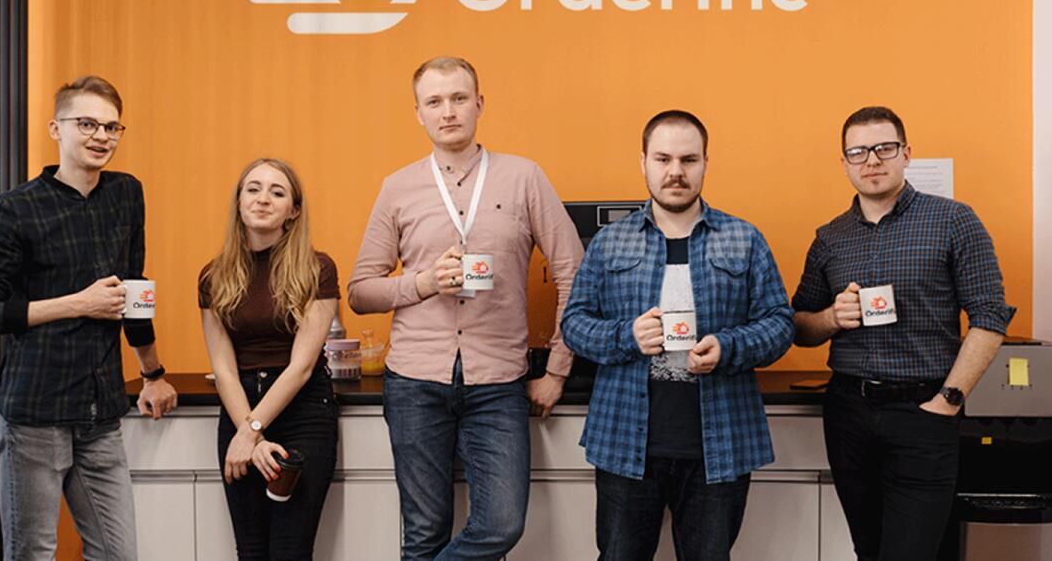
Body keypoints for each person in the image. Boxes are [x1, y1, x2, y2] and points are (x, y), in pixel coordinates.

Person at [348, 56, 584, 560]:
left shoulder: (524, 177)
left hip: (497, 383)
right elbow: (360, 291)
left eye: (458, 98)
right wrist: (423, 283)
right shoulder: (397, 187)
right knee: (424, 534)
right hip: (414, 383)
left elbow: (574, 272)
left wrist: (558, 370)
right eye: (434, 102)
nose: (448, 111)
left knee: (501, 525)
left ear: (479, 103)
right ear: (418, 113)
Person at [0, 75, 178, 560]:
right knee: (33, 553)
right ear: (57, 129)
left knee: (118, 554)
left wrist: (152, 373)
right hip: (32, 416)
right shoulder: (13, 210)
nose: (101, 136)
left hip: (99, 414)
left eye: (112, 127)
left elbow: (133, 288)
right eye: (87, 124)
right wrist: (77, 303)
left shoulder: (126, 194)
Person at [561, 109, 794, 561]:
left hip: (720, 444)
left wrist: (729, 347)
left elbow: (780, 323)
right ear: (643, 162)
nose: (675, 172)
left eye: (688, 160)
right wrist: (627, 336)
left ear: (706, 162)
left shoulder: (744, 239)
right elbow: (574, 324)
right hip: (624, 440)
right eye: (663, 159)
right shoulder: (610, 242)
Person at [792, 106, 1015, 561]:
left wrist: (948, 401)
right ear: (844, 162)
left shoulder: (953, 220)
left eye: (884, 148)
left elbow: (990, 316)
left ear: (906, 153)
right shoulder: (830, 237)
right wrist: (832, 318)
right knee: (868, 549)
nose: (872, 160)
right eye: (858, 152)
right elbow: (798, 326)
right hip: (849, 413)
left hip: (924, 412)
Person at [198, 158, 341, 560]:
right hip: (240, 407)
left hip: (303, 412)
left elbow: (302, 367)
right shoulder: (213, 275)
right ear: (239, 201)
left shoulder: (317, 268)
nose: (263, 199)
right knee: (251, 552)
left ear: (293, 211)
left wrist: (252, 432)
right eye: (253, 189)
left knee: (289, 551)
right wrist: (248, 432)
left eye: (277, 193)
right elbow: (224, 368)